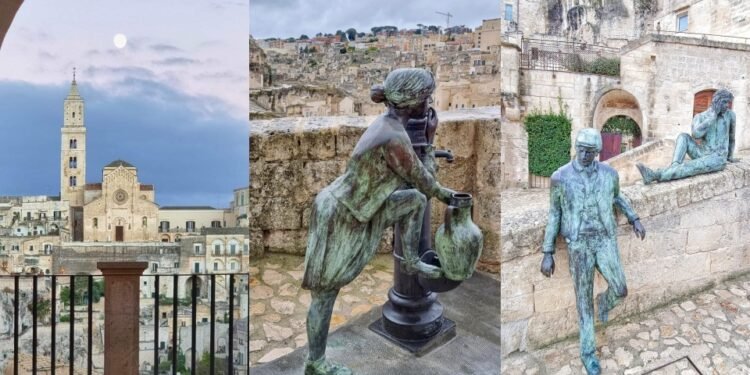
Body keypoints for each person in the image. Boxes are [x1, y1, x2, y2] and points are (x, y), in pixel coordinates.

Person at [301, 68, 454, 375]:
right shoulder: (394, 136)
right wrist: (453, 198)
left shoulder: (389, 124)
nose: (430, 102)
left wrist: (428, 140)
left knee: (414, 202)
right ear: (415, 102)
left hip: (364, 208)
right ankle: (315, 363)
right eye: (427, 97)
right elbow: (426, 182)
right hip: (341, 213)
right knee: (325, 294)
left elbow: (418, 186)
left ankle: (410, 260)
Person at [541, 128, 646, 375]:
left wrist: (634, 218)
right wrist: (548, 251)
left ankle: (605, 302)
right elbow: (554, 213)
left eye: (591, 152)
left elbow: (617, 198)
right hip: (578, 244)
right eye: (582, 150)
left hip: (605, 239)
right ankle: (588, 354)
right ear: (575, 148)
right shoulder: (560, 177)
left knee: (620, 288)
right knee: (583, 302)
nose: (586, 155)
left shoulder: (609, 174)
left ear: (598, 153)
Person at [637, 89, 738, 184]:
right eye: (725, 102)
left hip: (717, 158)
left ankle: (655, 175)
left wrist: (729, 157)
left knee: (691, 166)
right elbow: (696, 135)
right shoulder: (701, 116)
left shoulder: (730, 115)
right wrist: (711, 118)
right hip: (701, 152)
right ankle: (675, 166)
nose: (727, 105)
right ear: (717, 102)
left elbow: (732, 137)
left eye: (728, 103)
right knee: (683, 137)